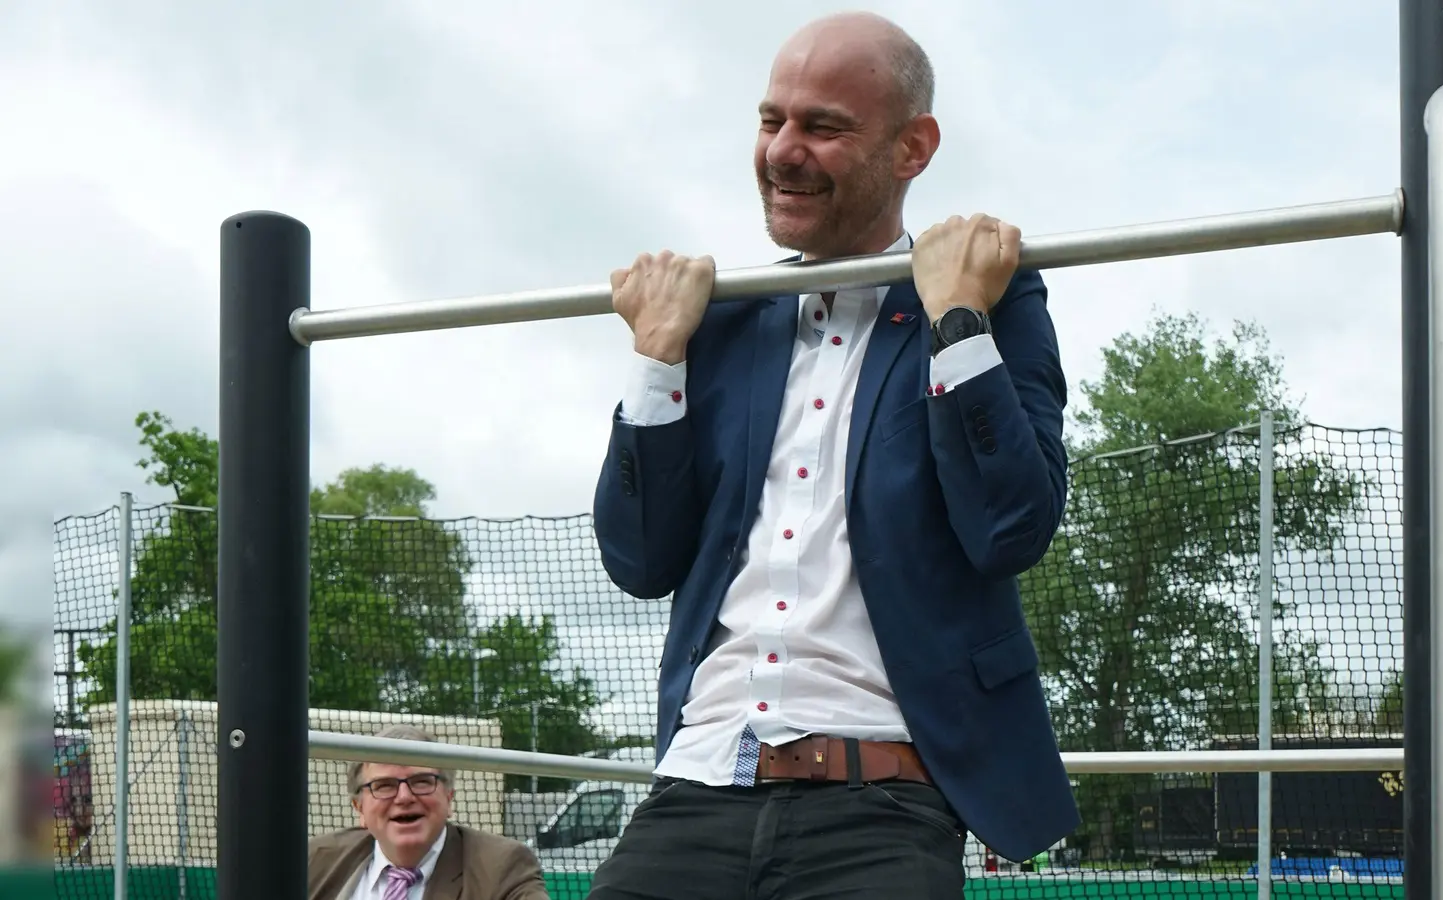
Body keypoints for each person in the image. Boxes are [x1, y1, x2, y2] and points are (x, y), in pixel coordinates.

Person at [588, 10, 1079, 899]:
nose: (783, 151)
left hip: (882, 798)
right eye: (772, 120)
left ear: (912, 147)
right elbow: (638, 559)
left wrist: (957, 322)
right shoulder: (722, 320)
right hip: (699, 778)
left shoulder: (989, 299)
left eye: (823, 127)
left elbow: (1011, 527)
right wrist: (656, 356)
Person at [307, 724, 550, 900]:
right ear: (359, 808)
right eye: (384, 786)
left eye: (422, 782)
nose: (404, 797)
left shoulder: (503, 866)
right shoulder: (313, 860)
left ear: (448, 797)